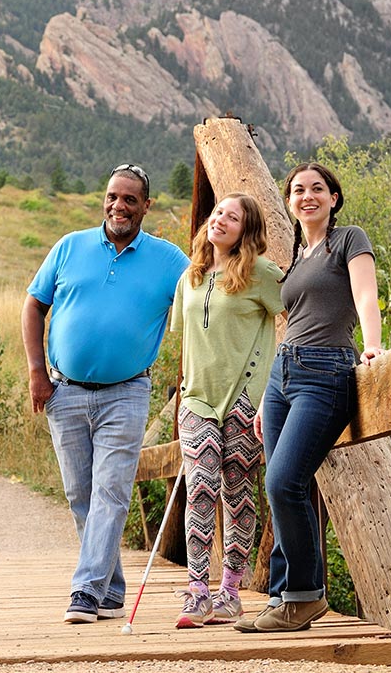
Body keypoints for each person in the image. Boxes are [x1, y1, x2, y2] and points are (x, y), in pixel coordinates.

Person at [22, 163, 190, 624]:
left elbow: (207, 299)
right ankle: (111, 587)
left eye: (130, 199)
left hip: (127, 394)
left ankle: (85, 592)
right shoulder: (70, 246)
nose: (119, 206)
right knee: (81, 494)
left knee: (111, 491)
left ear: (146, 207)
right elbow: (34, 304)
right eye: (113, 197)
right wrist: (37, 371)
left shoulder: (170, 259)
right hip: (64, 391)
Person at [235, 162, 383, 634]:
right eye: (298, 190)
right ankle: (283, 596)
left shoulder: (348, 240)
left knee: (284, 481)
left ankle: (306, 596)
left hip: (326, 373)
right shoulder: (298, 255)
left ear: (334, 198)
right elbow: (289, 322)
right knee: (278, 489)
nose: (307, 196)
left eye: (318, 189)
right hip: (282, 377)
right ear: (290, 201)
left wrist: (373, 344)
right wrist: (265, 398)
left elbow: (365, 297)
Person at [169, 193, 283, 629]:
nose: (220, 220)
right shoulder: (191, 278)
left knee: (237, 493)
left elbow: (299, 316)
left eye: (231, 218)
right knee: (200, 487)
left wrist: (274, 388)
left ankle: (230, 592)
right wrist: (183, 394)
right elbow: (185, 345)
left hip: (244, 399)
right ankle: (198, 590)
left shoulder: (262, 274)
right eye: (218, 213)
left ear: (246, 230)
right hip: (198, 399)